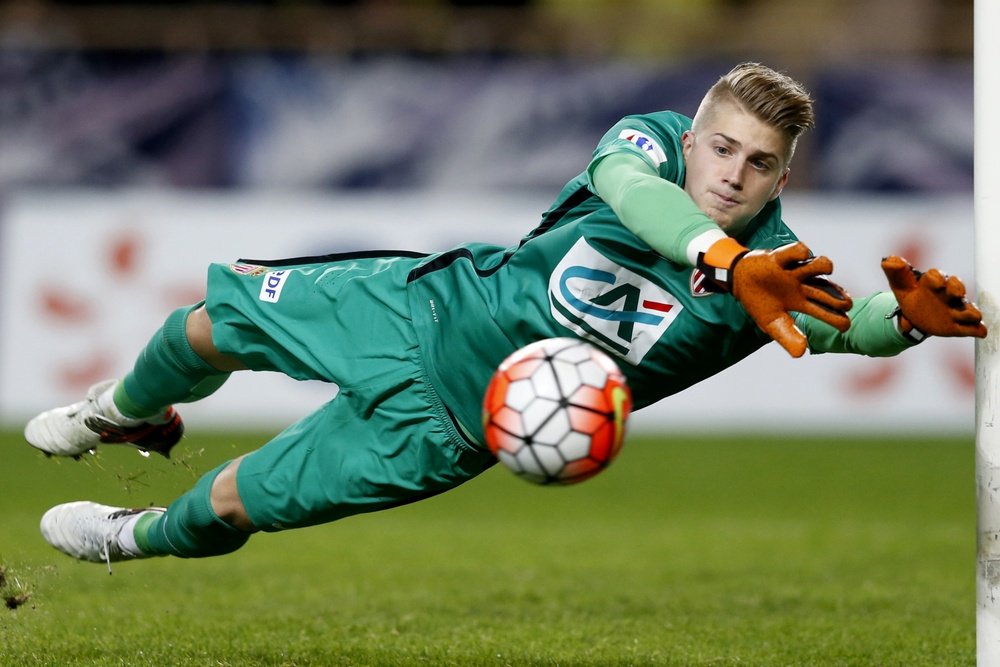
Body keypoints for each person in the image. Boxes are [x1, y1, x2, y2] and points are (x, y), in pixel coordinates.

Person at [27, 63, 987, 570]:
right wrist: (721, 256)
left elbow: (841, 324)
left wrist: (898, 321)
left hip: (442, 432)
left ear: (786, 175)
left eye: (760, 163)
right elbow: (633, 194)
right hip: (421, 307)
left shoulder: (769, 279)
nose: (733, 173)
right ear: (693, 137)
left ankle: (127, 536)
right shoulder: (647, 150)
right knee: (207, 325)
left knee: (236, 503)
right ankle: (124, 413)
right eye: (723, 148)